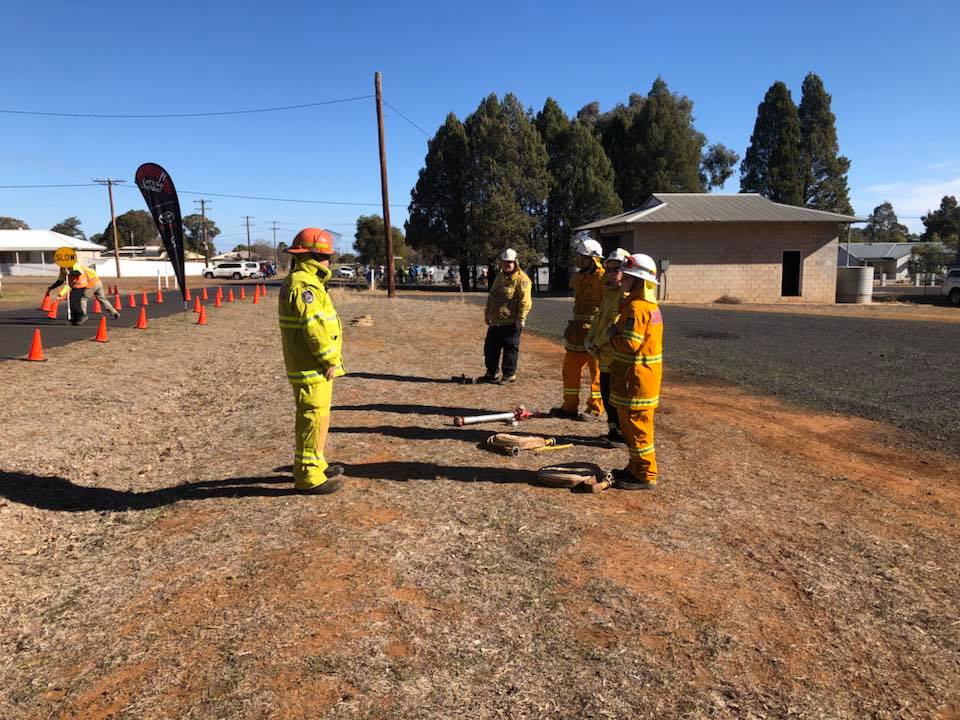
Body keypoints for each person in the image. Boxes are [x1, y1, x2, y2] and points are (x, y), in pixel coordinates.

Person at [278, 228, 346, 495]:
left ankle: (316, 463)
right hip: (311, 366)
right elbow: (314, 327)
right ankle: (308, 477)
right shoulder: (304, 285)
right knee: (312, 417)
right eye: (327, 256)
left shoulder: (308, 281)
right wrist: (329, 358)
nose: (330, 261)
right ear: (312, 256)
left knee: (319, 417)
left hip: (312, 365)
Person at [607, 253, 663, 490]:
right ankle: (635, 466)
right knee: (631, 427)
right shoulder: (646, 306)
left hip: (635, 378)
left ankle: (645, 473)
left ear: (638, 280)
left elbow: (630, 344)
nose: (623, 280)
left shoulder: (637, 308)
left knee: (637, 427)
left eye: (627, 276)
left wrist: (612, 337)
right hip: (640, 377)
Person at [551, 232, 605, 421]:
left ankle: (595, 408)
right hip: (576, 332)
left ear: (593, 258)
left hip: (595, 332)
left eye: (582, 258)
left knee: (596, 372)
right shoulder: (579, 277)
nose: (578, 261)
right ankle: (569, 406)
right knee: (570, 369)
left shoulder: (603, 278)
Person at [585, 248, 630, 448]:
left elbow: (614, 327)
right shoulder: (609, 292)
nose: (611, 273)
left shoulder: (625, 296)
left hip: (616, 358)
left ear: (626, 271)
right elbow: (599, 320)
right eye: (609, 269)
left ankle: (621, 435)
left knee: (616, 399)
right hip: (604, 357)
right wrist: (590, 339)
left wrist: (596, 342)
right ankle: (612, 431)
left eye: (616, 269)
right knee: (606, 396)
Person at [479, 248, 532, 384]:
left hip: (512, 323)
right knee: (490, 348)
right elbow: (492, 296)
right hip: (496, 322)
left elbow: (525, 301)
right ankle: (491, 373)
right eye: (504, 262)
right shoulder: (499, 277)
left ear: (515, 263)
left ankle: (509, 375)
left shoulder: (522, 279)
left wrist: (521, 318)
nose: (506, 265)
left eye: (509, 262)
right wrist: (488, 314)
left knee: (510, 349)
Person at [48, 262, 119, 325]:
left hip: (91, 283)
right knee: (102, 299)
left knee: (83, 298)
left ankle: (82, 316)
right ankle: (114, 312)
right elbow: (60, 281)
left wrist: (69, 273)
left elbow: (77, 273)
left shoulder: (75, 266)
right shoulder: (71, 267)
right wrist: (51, 287)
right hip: (98, 281)